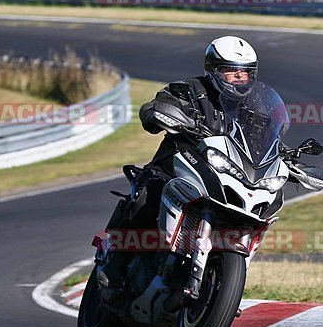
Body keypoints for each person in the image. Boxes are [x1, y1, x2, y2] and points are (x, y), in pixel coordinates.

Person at [97, 36, 258, 299]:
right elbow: (153, 111)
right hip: (176, 168)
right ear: (214, 69)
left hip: (223, 179)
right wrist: (159, 113)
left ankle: (221, 285)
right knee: (149, 195)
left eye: (246, 72)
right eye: (232, 70)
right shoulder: (189, 90)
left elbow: (266, 142)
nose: (240, 77)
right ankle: (114, 261)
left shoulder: (251, 110)